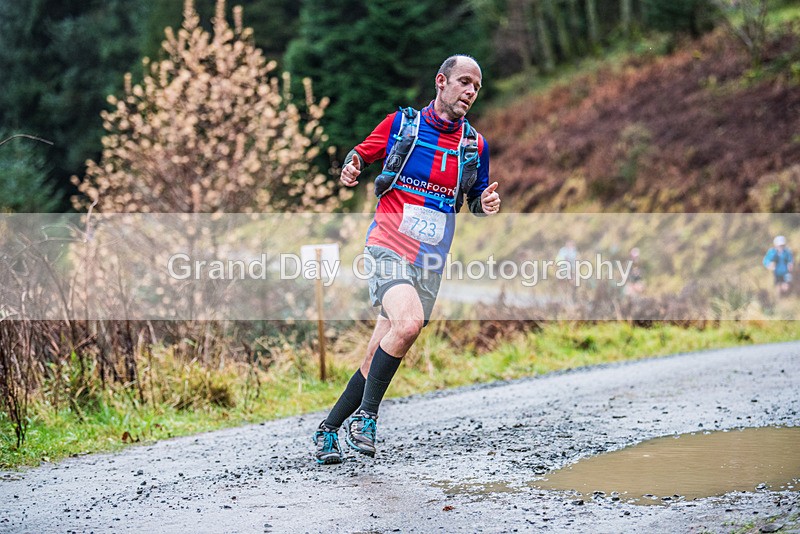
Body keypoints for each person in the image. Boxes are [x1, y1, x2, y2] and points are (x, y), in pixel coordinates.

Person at [313, 55, 500, 464]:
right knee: (409, 322)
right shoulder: (403, 126)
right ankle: (367, 418)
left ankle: (327, 430)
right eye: (464, 82)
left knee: (379, 349)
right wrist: (351, 167)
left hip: (430, 260)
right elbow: (361, 154)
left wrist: (486, 203)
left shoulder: (474, 145)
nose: (470, 92)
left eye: (476, 87)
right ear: (441, 82)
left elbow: (475, 201)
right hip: (388, 243)